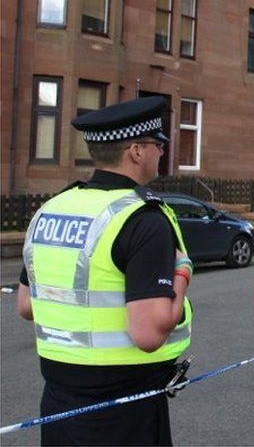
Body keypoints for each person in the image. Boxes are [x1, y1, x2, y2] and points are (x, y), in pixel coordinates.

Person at [17, 96, 193, 446]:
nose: (161, 151)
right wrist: (183, 272)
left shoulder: (51, 210)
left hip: (58, 403)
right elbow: (148, 334)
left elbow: (26, 305)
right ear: (136, 151)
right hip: (124, 410)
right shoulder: (143, 219)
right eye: (157, 144)